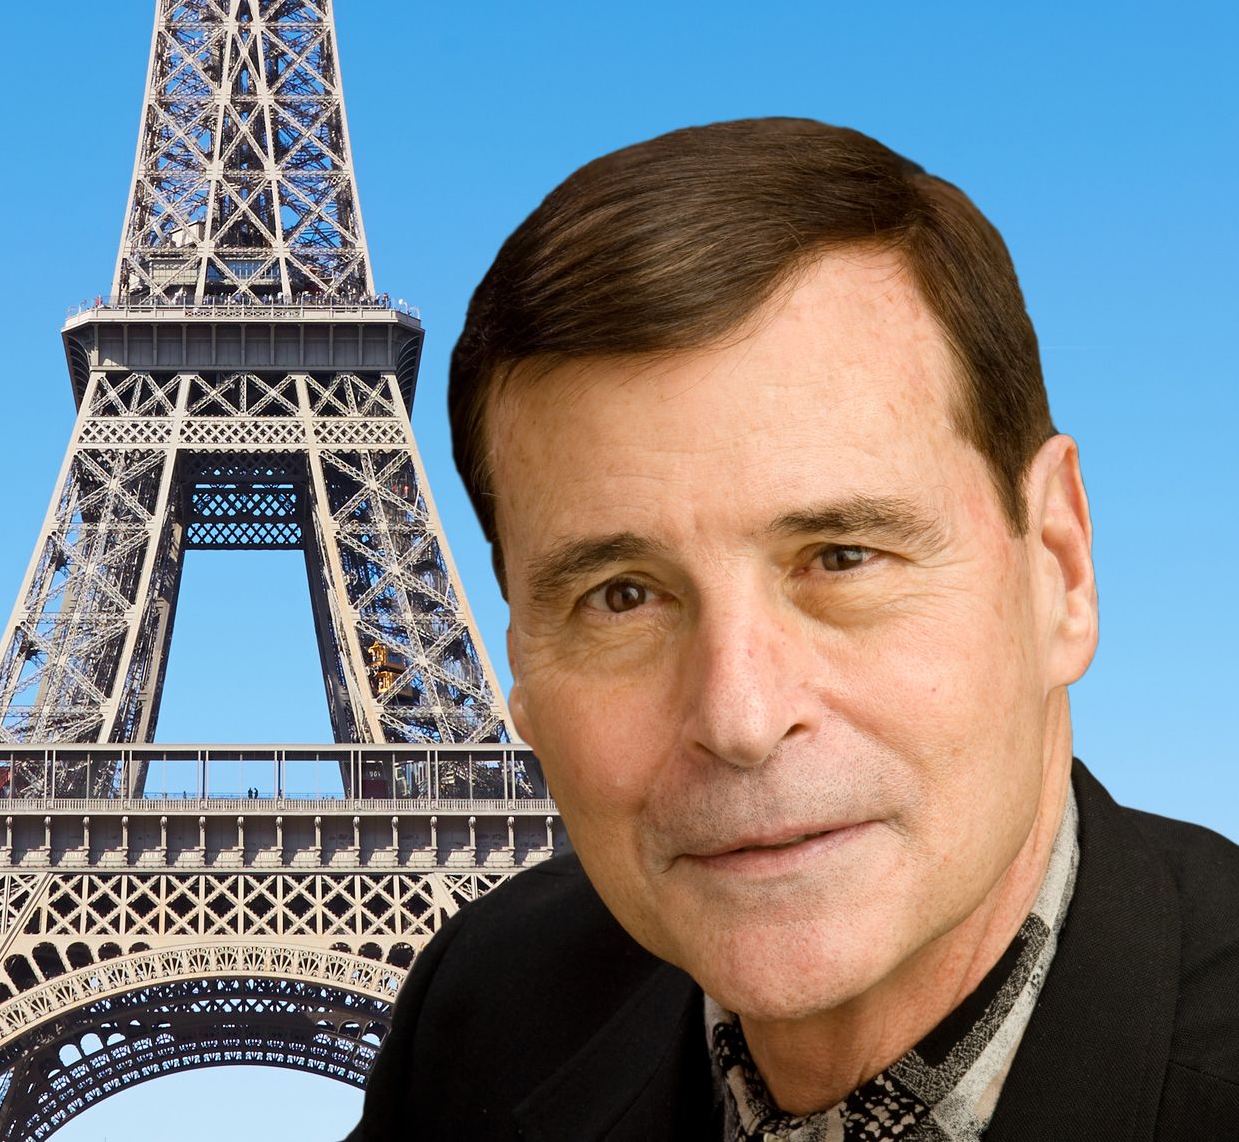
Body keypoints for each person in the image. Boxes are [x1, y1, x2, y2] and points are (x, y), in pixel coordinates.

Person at [345, 118, 1239, 1140]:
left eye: (842, 558)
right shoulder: (491, 1009)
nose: (740, 715)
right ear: (519, 663)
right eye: (622, 596)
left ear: (1059, 570)